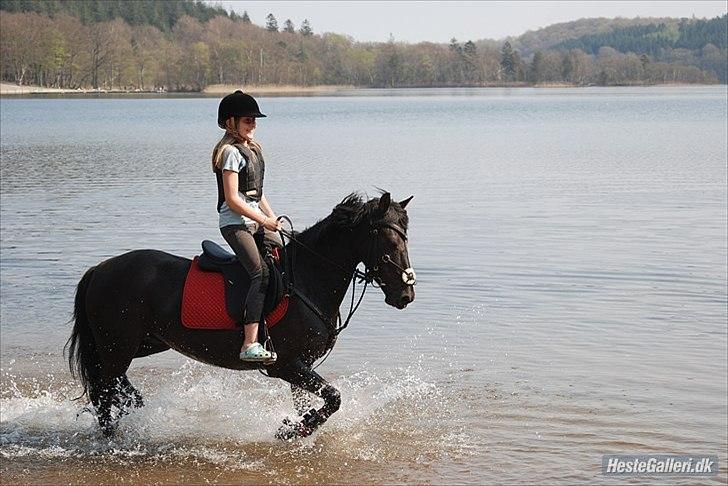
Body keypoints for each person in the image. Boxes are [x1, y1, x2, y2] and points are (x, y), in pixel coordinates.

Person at [212, 91, 281, 363]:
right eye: (247, 120)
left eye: (254, 120)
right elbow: (232, 198)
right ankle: (249, 343)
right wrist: (263, 221)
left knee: (285, 257)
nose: (253, 124)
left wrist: (271, 220)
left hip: (256, 221)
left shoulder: (252, 149)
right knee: (260, 273)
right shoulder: (229, 152)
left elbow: (256, 192)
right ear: (231, 123)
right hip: (235, 224)